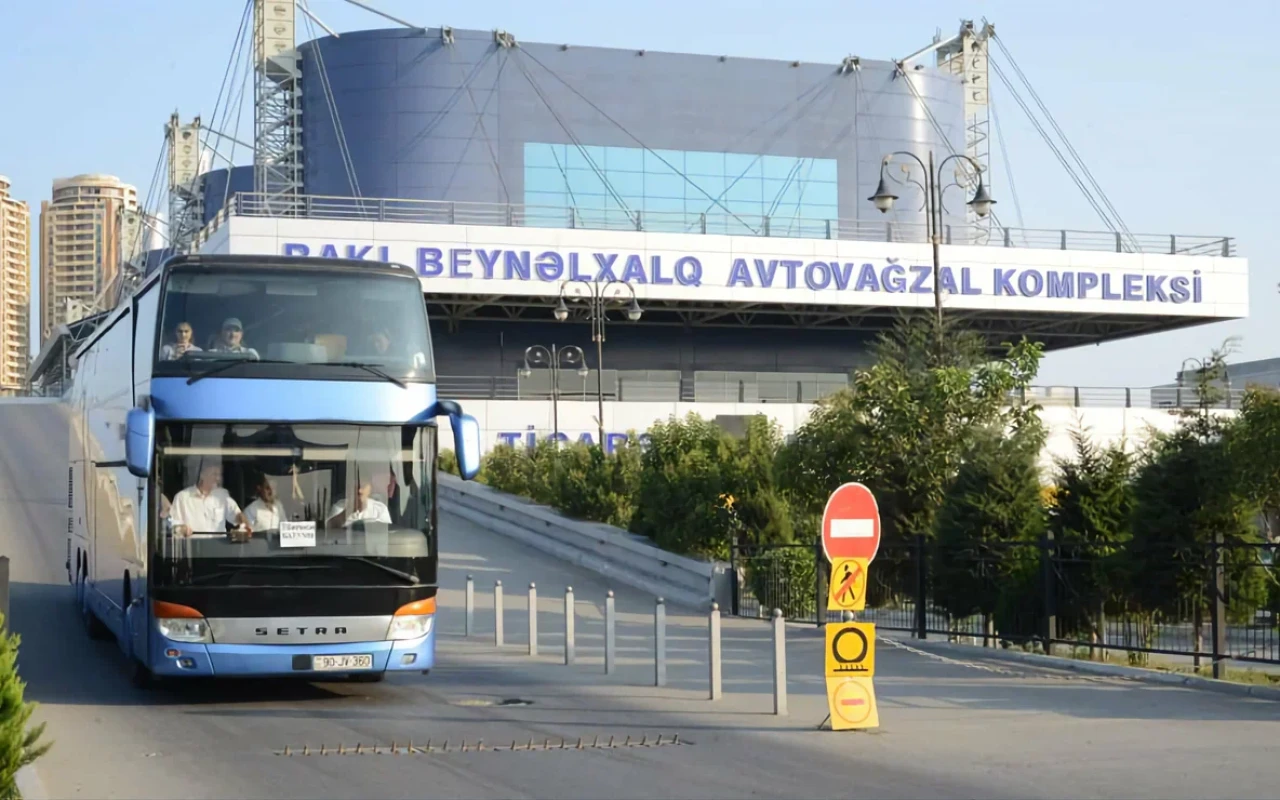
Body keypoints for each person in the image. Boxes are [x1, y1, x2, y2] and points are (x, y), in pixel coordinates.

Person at [168, 463, 252, 542]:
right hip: (193, 548)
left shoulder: (222, 495)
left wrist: (243, 524)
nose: (218, 478)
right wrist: (181, 529)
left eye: (219, 475)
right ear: (202, 475)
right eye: (214, 474)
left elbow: (237, 515)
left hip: (219, 548)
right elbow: (172, 527)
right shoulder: (182, 497)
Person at [326, 473, 392, 528]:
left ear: (370, 488)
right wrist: (349, 510)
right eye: (356, 486)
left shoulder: (380, 508)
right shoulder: (339, 506)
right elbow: (328, 528)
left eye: (363, 486)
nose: (360, 491)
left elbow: (387, 534)